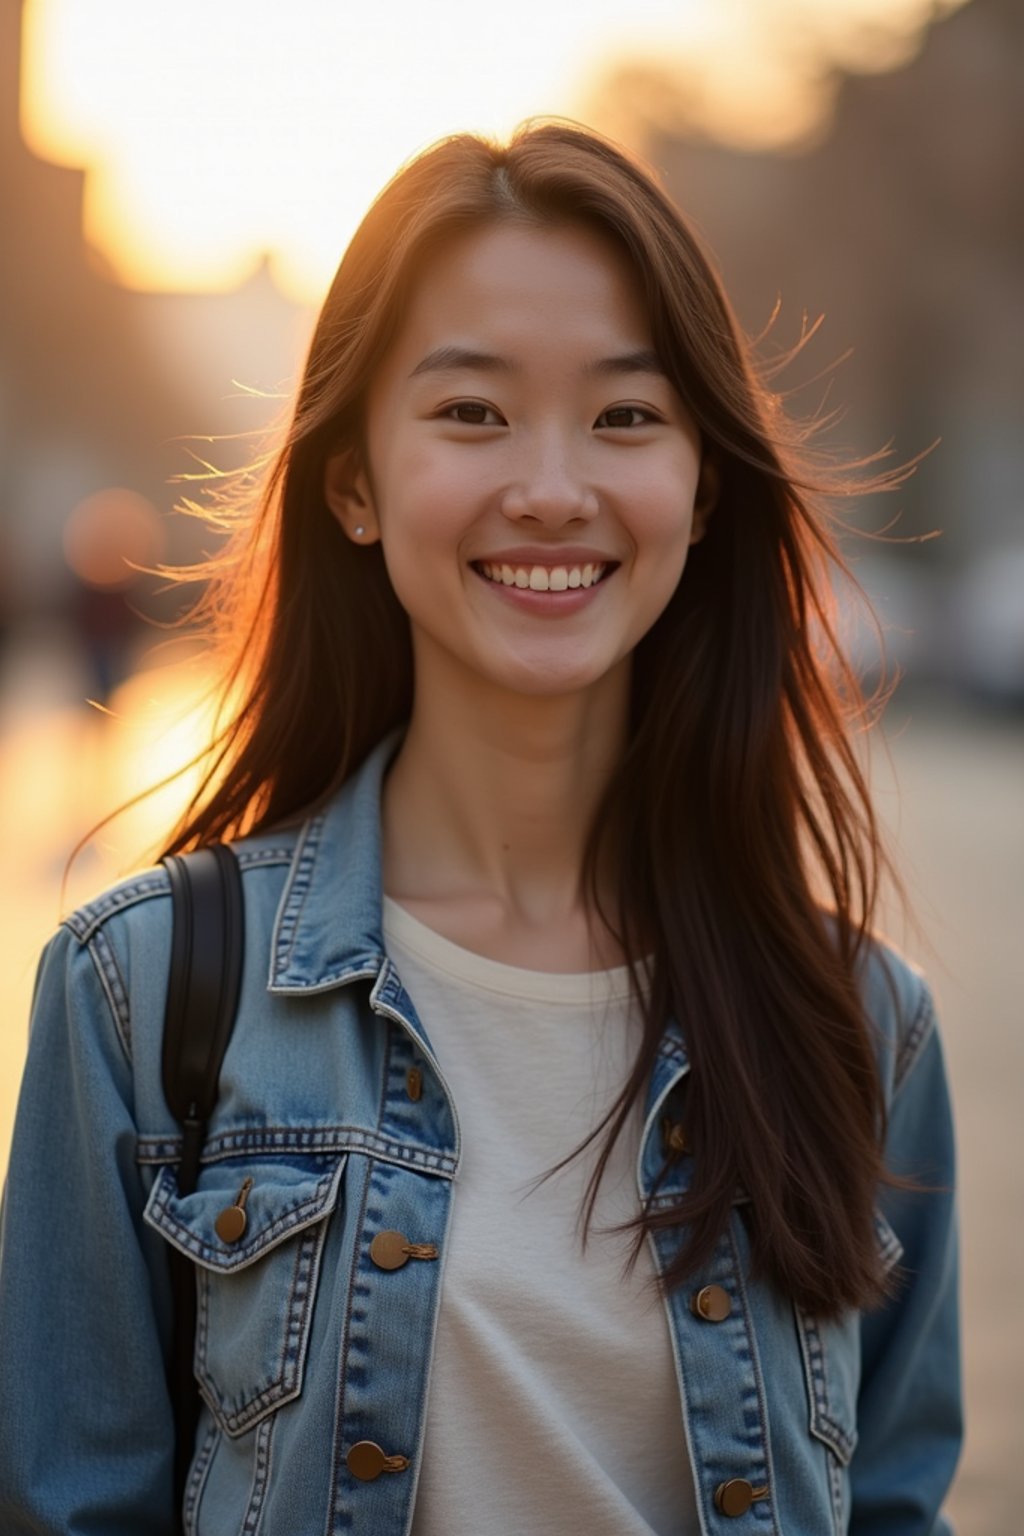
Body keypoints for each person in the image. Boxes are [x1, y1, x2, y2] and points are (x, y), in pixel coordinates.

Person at [0, 121, 960, 1534]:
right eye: (472, 413)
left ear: (702, 490)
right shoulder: (139, 1001)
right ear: (356, 483)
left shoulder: (861, 1026)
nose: (553, 486)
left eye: (626, 416)